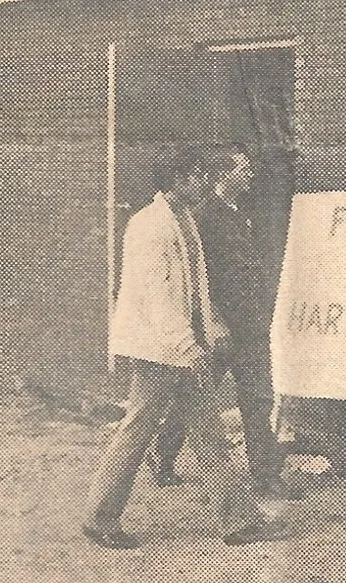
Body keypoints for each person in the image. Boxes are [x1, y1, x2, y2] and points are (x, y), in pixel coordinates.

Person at [85, 149, 280, 547]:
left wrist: (204, 332)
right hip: (159, 351)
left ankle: (238, 521)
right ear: (176, 179)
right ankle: (100, 518)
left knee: (209, 434)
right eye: (196, 175)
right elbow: (158, 297)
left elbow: (194, 290)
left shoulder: (184, 219)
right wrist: (187, 347)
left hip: (183, 347)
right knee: (137, 430)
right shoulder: (150, 226)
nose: (204, 182)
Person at [197, 145, 301, 499]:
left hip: (251, 326)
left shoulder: (240, 213)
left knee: (257, 399)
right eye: (243, 169)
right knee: (196, 396)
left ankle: (266, 475)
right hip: (221, 329)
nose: (250, 175)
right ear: (223, 174)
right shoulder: (204, 218)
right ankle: (163, 450)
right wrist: (214, 321)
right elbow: (199, 279)